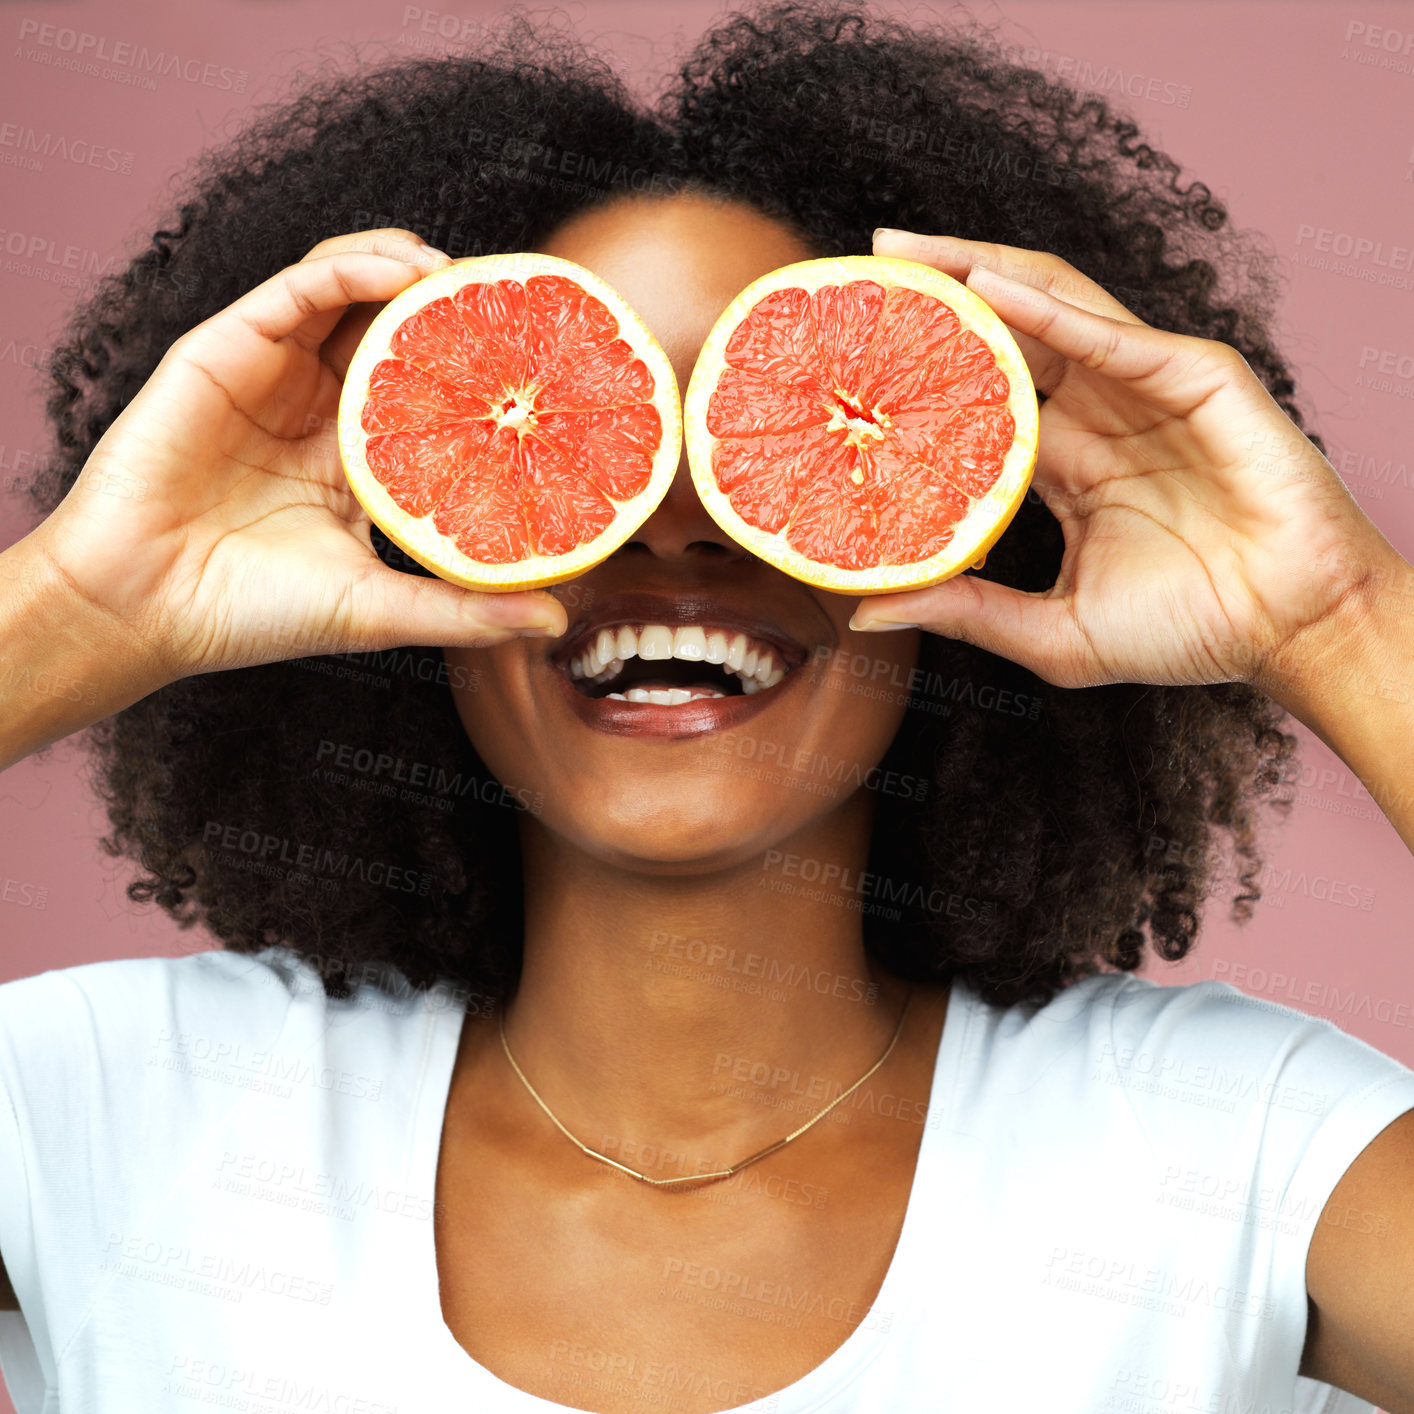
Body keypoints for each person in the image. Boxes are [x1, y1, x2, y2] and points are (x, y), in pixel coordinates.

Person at [1, 3, 1412, 1412]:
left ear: (963, 526)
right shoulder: (110, 1108)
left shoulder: (1236, 1147)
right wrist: (86, 601)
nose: (675, 529)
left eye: (786, 437)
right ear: (394, 534)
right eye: (570, 436)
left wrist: (1333, 618)